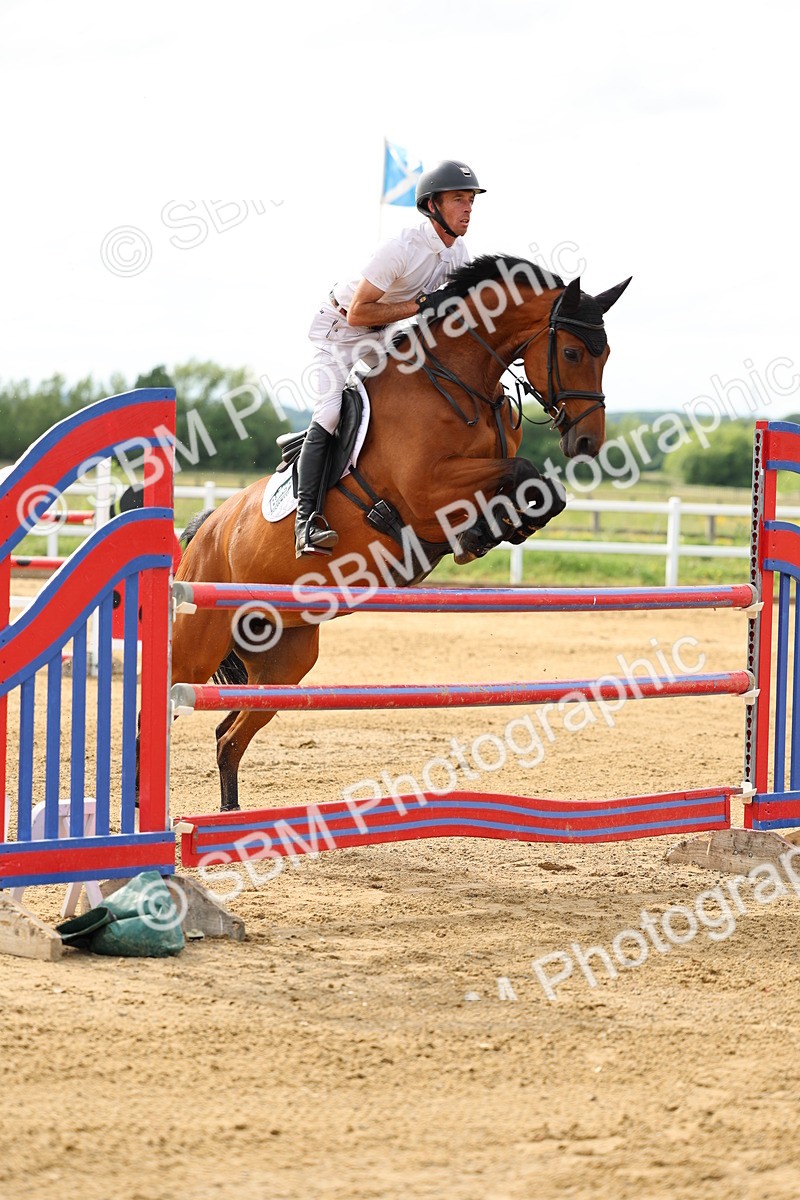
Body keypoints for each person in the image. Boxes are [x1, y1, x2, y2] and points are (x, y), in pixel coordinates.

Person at [294, 159, 486, 557]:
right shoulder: (401, 248)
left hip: (383, 335)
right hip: (339, 331)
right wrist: (419, 305)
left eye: (470, 200)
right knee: (330, 414)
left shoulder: (459, 252)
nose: (467, 208)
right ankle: (306, 520)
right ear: (433, 205)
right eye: (458, 200)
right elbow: (359, 312)